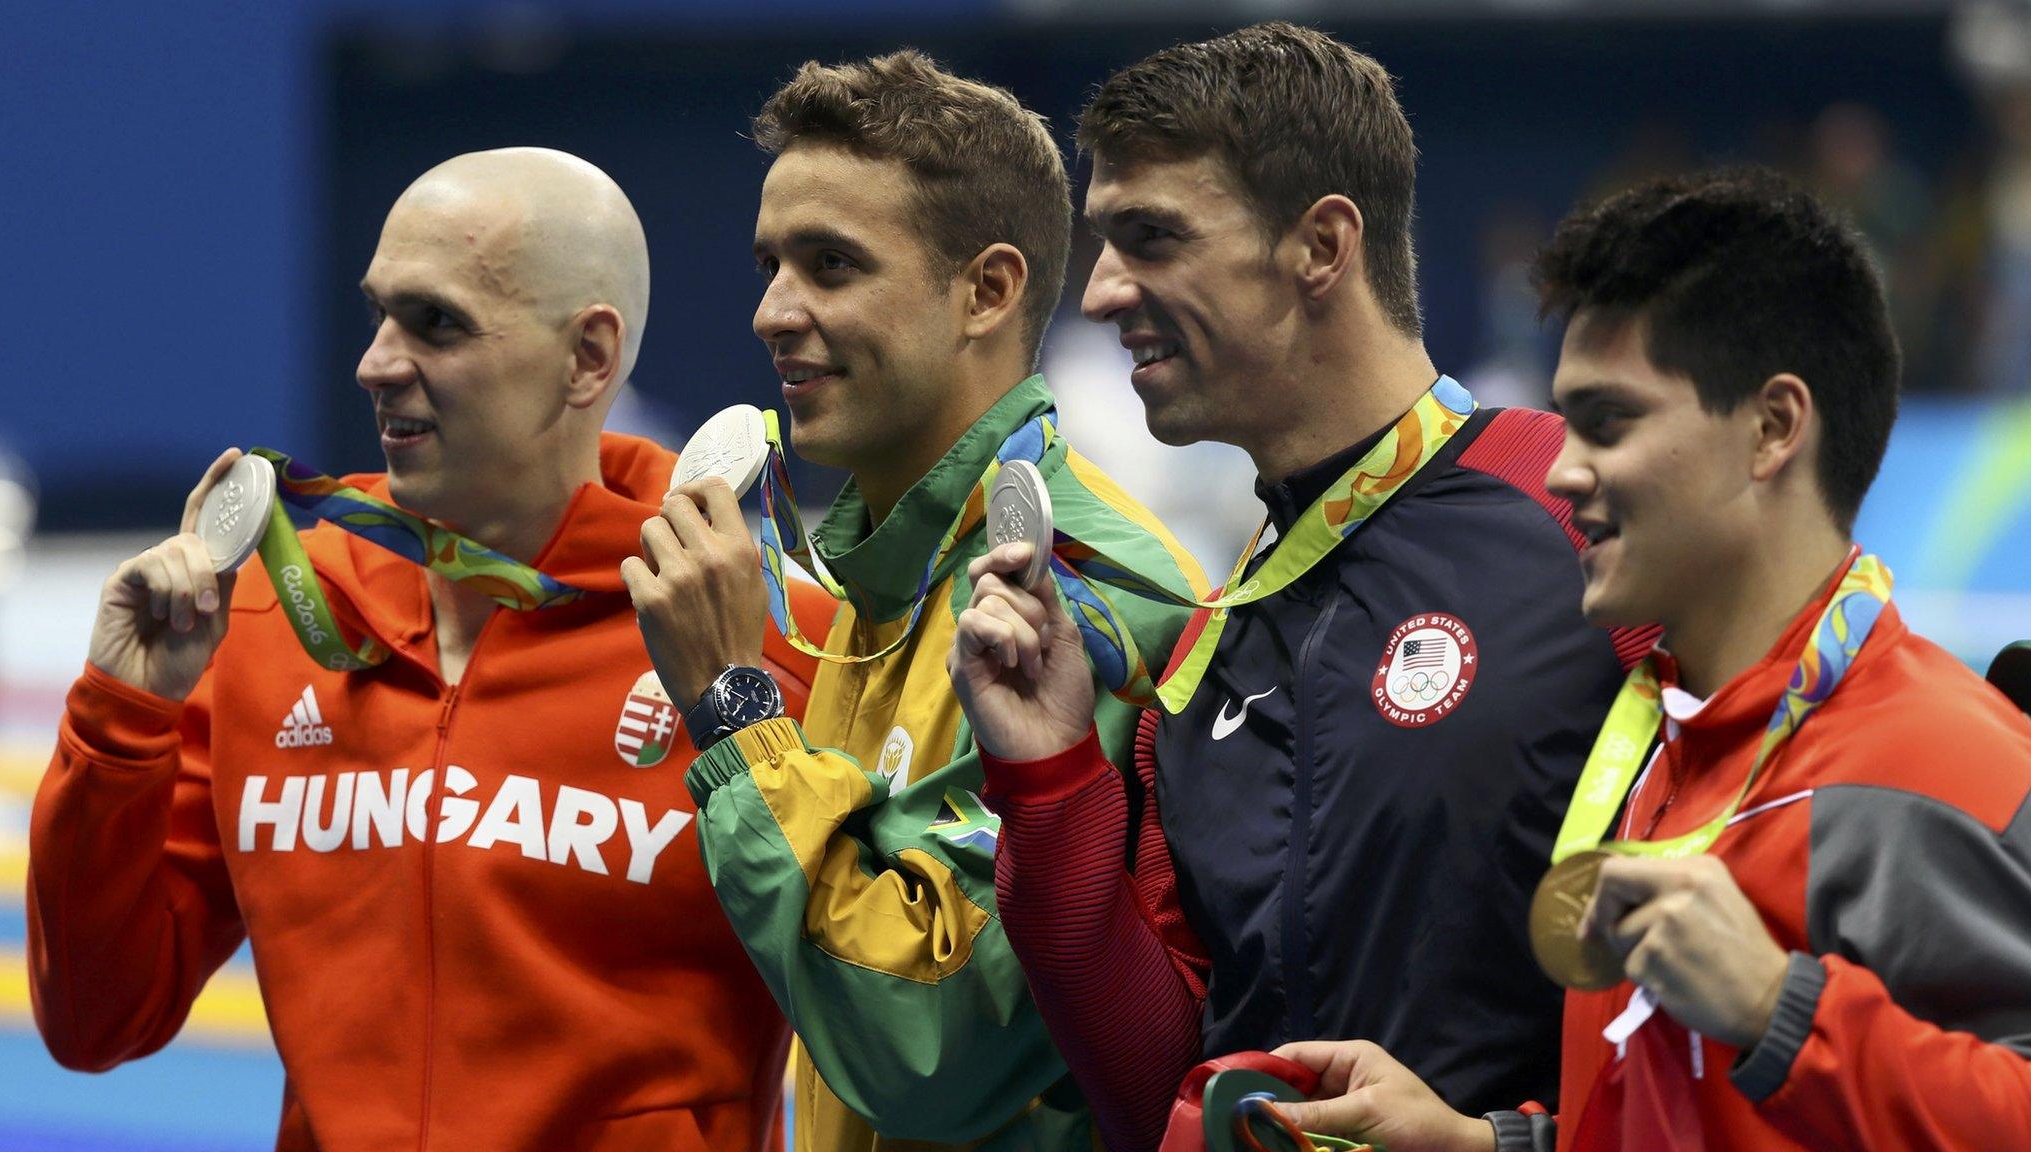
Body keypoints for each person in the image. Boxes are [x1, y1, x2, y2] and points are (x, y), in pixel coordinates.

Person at [26, 148, 834, 1151]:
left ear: (587, 357)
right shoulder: (266, 622)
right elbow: (97, 1020)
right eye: (378, 314)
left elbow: (881, 1034)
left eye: (436, 323)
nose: (375, 361)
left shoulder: (755, 651)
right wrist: (121, 719)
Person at [947, 22, 1658, 1152]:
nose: (1101, 293)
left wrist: (1500, 1147)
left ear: (1320, 246)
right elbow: (1152, 1091)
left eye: (1151, 238)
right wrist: (1046, 779)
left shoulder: (1584, 520)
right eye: (1103, 242)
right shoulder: (1203, 655)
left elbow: (1774, 992)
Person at [1269, 170, 2031, 1151]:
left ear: (1769, 428)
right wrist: (1478, 1143)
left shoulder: (1946, 767)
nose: (1561, 469)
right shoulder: (1669, 750)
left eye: (1608, 422)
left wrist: (1773, 1011)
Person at [621, 50, 1205, 1152]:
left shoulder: (1087, 601)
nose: (770, 312)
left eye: (830, 265)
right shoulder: (884, 580)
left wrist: (734, 710)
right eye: (770, 264)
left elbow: (929, 1048)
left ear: (985, 291)